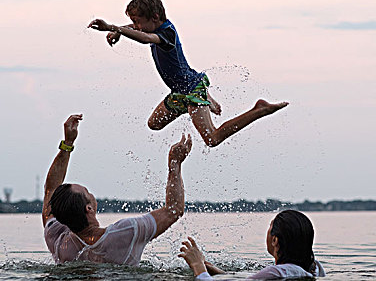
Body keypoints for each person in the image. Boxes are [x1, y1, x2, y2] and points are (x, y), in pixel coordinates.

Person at [88, 0, 288, 147]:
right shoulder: (153, 26)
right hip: (180, 92)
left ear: (155, 17)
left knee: (212, 139)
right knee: (154, 124)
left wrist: (113, 27)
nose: (136, 26)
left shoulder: (166, 33)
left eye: (139, 21)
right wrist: (119, 31)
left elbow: (146, 38)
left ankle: (259, 109)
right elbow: (139, 29)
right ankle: (202, 102)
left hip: (191, 90)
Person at [42, 114, 192, 265]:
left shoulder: (57, 239)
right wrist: (175, 165)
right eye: (87, 192)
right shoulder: (124, 233)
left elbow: (50, 189)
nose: (92, 194)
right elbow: (174, 210)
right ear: (89, 208)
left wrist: (67, 144)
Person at [178, 210, 326, 279]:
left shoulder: (276, 273)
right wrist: (216, 272)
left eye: (270, 226)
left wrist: (198, 266)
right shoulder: (316, 268)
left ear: (275, 240)